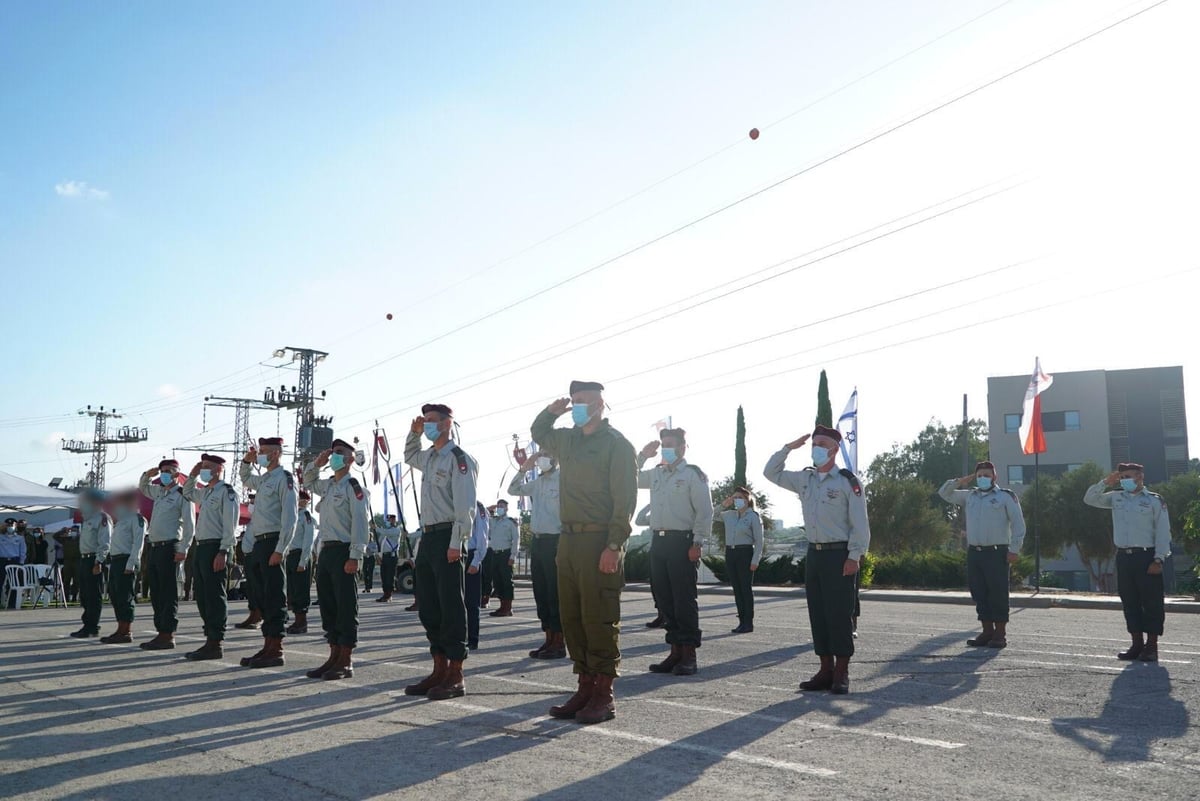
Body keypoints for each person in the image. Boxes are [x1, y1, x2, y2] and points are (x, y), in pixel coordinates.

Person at [532, 380, 638, 725]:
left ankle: (603, 693)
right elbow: (538, 431)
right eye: (574, 401)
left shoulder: (617, 445)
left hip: (598, 541)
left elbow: (625, 500)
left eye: (584, 401)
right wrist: (552, 410)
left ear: (600, 405)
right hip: (569, 542)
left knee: (599, 617)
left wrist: (614, 544)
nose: (577, 406)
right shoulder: (568, 440)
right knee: (573, 617)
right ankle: (584, 685)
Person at [764, 425, 870, 695]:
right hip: (815, 553)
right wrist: (788, 448)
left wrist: (854, 556)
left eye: (822, 444)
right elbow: (770, 473)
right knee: (818, 614)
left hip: (839, 554)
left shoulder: (847, 481)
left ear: (834, 449)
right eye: (814, 444)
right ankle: (825, 669)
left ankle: (841, 672)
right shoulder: (805, 479)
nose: (816, 448)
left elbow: (860, 523)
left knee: (839, 614)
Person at [403, 403, 478, 700]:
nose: (428, 424)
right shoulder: (431, 457)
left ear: (448, 423)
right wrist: (413, 433)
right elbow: (409, 455)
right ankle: (438, 668)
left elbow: (465, 505)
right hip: (429, 536)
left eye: (432, 421)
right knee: (430, 606)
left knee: (451, 606)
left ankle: (456, 672)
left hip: (449, 535)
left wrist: (457, 543)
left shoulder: (459, 460)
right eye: (425, 420)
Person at [636, 428, 714, 676]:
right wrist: (641, 457)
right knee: (665, 599)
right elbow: (630, 479)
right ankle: (675, 651)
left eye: (670, 444)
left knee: (683, 599)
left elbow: (705, 511)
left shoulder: (693, 475)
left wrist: (698, 542)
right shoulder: (656, 473)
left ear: (682, 447)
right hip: (658, 541)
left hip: (682, 541)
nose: (665, 448)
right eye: (663, 444)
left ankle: (689, 654)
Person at [1084, 462, 1171, 662]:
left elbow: (1163, 532)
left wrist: (1159, 558)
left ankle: (1151, 646)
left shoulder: (1154, 501)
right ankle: (1136, 644)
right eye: (1122, 477)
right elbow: (1090, 499)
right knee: (1130, 602)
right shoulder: (1116, 497)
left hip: (1147, 556)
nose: (1125, 481)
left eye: (1128, 476)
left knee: (1151, 603)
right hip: (1124, 556)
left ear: (1140, 477)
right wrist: (1106, 482)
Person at [302, 438, 371, 680]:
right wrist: (316, 464)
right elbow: (307, 482)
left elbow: (361, 524)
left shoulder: (353, 487)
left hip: (344, 551)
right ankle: (333, 655)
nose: (334, 457)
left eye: (339, 453)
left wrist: (355, 556)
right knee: (328, 605)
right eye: (333, 453)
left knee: (345, 606)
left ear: (351, 459)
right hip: (327, 551)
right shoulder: (329, 485)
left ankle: (346, 659)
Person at [939, 460, 1026, 649]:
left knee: (998, 593)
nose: (982, 478)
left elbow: (1019, 524)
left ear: (995, 477)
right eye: (979, 475)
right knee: (979, 592)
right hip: (975, 552)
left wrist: (1014, 549)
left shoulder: (1005, 497)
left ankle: (1000, 634)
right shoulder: (970, 496)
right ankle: (987, 631)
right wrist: (961, 481)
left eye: (987, 475)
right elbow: (944, 493)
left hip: (997, 552)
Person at [237, 438, 298, 668]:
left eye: (263, 452)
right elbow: (244, 479)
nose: (260, 455)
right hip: (260, 543)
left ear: (275, 454)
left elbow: (290, 518)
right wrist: (246, 461)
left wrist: (281, 549)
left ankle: (276, 648)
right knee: (262, 594)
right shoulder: (264, 480)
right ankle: (267, 644)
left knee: (274, 596)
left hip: (273, 542)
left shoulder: (284, 478)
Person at [182, 454, 239, 660]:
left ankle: (216, 641)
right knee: (203, 595)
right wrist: (193, 474)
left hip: (217, 547)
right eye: (202, 466)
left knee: (215, 595)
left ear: (218, 469)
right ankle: (209, 638)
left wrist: (223, 551)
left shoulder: (226, 492)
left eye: (207, 467)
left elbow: (230, 525)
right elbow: (187, 493)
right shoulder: (206, 492)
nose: (203, 469)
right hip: (202, 546)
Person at [509, 450, 566, 659]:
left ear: (556, 456)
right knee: (541, 593)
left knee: (554, 593)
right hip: (538, 541)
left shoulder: (564, 479)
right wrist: (525, 467)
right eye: (539, 453)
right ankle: (548, 638)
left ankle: (559, 642)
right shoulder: (538, 482)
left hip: (555, 541)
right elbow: (513, 489)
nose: (542, 457)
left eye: (546, 453)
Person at [138, 459, 195, 650]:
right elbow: (143, 488)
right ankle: (160, 631)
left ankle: (168, 633)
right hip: (154, 547)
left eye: (168, 471)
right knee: (156, 592)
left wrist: (183, 549)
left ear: (176, 474)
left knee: (167, 592)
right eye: (162, 471)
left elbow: (189, 524)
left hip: (169, 547)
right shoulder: (159, 492)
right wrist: (148, 474)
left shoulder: (182, 494)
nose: (164, 474)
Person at [719, 487, 764, 634]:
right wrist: (723, 505)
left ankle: (748, 622)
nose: (737, 500)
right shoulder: (729, 515)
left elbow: (759, 541)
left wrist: (755, 560)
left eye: (739, 497)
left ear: (747, 499)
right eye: (734, 498)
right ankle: (741, 622)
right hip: (730, 552)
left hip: (745, 552)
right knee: (737, 590)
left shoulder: (753, 516)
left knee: (745, 589)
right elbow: (709, 515)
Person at [101, 490, 144, 644]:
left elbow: (138, 543)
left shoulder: (136, 519)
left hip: (127, 561)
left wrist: (131, 564)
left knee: (125, 596)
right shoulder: (120, 520)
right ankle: (120, 628)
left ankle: (126, 631)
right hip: (116, 561)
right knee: (115, 595)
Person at [68, 490, 112, 637]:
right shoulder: (87, 518)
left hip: (94, 559)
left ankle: (92, 625)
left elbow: (105, 542)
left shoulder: (102, 518)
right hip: (84, 558)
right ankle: (87, 624)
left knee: (93, 594)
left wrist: (99, 561)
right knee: (85, 594)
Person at [286, 490, 317, 634]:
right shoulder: (291, 515)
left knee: (301, 590)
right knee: (292, 589)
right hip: (290, 555)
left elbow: (308, 539)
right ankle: (296, 619)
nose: (300, 502)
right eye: (299, 499)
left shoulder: (306, 516)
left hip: (301, 554)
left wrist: (303, 561)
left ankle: (301, 622)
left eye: (303, 500)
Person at [234, 492, 263, 630]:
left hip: (257, 554)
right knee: (251, 588)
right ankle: (252, 614)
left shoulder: (263, 517)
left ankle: (259, 616)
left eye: (253, 501)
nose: (250, 503)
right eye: (250, 501)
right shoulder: (252, 519)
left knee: (258, 587)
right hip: (249, 555)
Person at [486, 499, 519, 618]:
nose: (499, 508)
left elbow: (516, 540)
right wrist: (489, 508)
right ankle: (502, 606)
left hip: (506, 554)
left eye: (502, 506)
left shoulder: (511, 522)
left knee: (507, 581)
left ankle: (508, 608)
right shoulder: (493, 521)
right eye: (498, 506)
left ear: (506, 508)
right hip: (495, 554)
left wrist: (513, 556)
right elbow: (483, 514)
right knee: (498, 581)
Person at [466, 504, 489, 650]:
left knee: (472, 602)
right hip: (458, 554)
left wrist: (476, 561)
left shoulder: (478, 508)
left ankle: (473, 639)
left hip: (471, 555)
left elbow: (482, 537)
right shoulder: (457, 502)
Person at [1, 518, 27, 609]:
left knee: (13, 583)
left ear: (15, 526)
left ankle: (11, 603)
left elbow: (23, 552)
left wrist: (21, 563)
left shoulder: (20, 538)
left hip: (14, 560)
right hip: (2, 560)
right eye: (8, 526)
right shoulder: (1, 537)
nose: (10, 527)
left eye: (11, 526)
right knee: (0, 582)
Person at [377, 514, 402, 603]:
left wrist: (376, 528)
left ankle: (389, 594)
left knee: (389, 576)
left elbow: (385, 533)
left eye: (392, 519)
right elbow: (380, 544)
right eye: (389, 520)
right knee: (384, 575)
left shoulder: (396, 530)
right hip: (385, 556)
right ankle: (385, 593)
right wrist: (379, 556)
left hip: (392, 556)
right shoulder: (385, 532)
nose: (390, 521)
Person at [56, 525, 82, 603]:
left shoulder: (81, 540)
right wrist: (64, 530)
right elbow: (55, 536)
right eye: (72, 530)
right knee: (66, 580)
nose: (73, 532)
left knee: (76, 581)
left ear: (78, 532)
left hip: (77, 561)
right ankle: (66, 597)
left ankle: (74, 597)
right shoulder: (66, 539)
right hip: (67, 561)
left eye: (75, 531)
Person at [404, 526, 422, 611]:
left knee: (421, 585)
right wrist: (410, 559)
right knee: (416, 584)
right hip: (415, 560)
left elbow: (414, 535)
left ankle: (421, 603)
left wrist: (408, 535)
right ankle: (417, 602)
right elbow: (410, 546)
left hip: (423, 560)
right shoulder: (418, 532)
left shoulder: (423, 532)